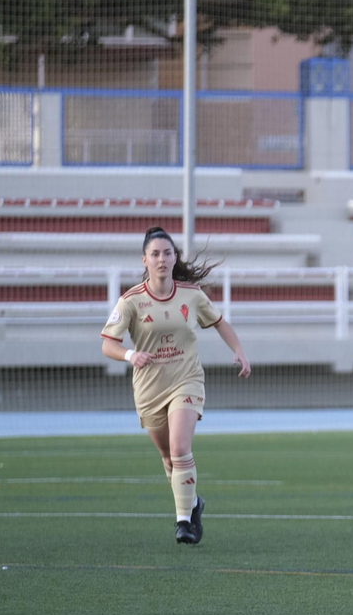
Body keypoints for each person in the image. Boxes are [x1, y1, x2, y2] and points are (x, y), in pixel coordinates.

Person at [100, 226, 251, 545]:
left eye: (167, 253)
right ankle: (193, 502)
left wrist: (238, 350)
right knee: (169, 459)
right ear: (144, 260)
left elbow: (220, 322)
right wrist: (130, 355)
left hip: (187, 380)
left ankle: (184, 522)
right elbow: (107, 344)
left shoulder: (191, 295)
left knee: (181, 449)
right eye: (155, 254)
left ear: (175, 257)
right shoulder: (130, 301)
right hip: (150, 389)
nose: (162, 259)